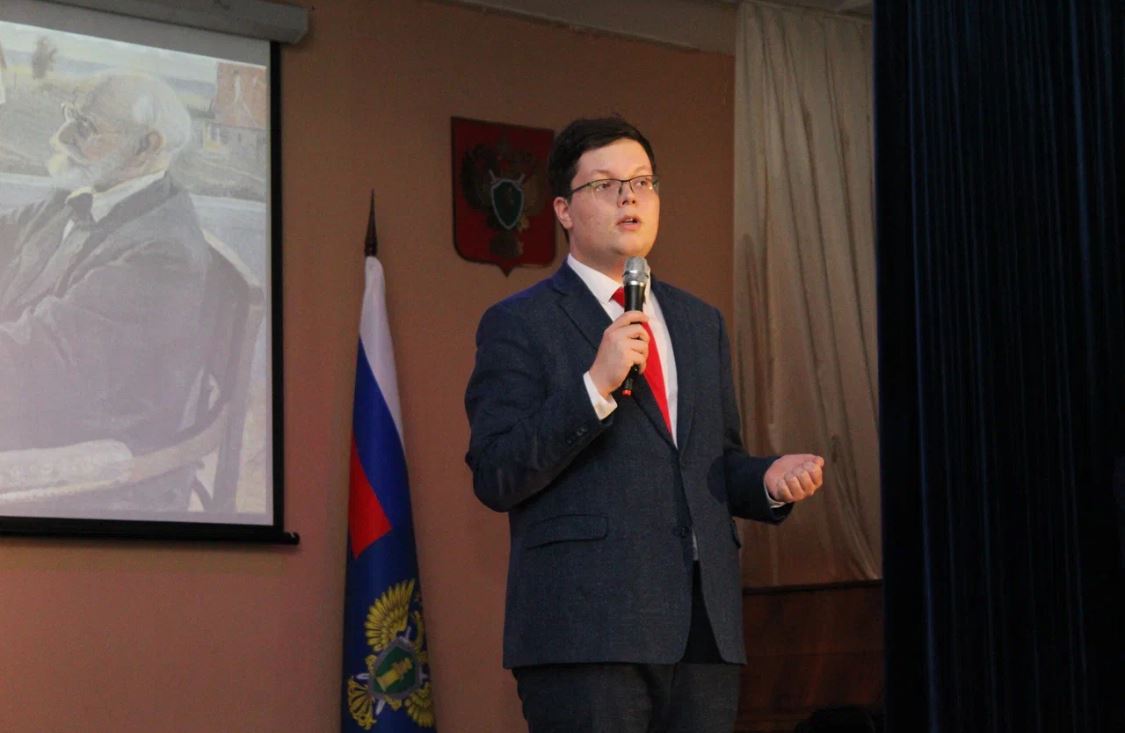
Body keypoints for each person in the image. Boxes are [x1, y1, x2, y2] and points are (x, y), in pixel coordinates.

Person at [464, 117, 825, 732]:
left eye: (642, 182)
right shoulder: (519, 323)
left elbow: (712, 464)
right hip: (587, 634)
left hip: (702, 630)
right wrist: (592, 388)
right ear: (564, 210)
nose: (628, 198)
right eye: (605, 185)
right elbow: (496, 472)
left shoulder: (699, 323)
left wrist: (766, 481)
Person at [0, 71, 212, 512]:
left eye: (85, 126)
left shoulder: (163, 253)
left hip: (80, 442)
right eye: (69, 115)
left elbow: (45, 362)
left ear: (147, 146)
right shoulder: (94, 190)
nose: (62, 136)